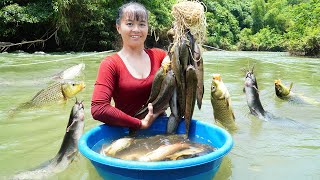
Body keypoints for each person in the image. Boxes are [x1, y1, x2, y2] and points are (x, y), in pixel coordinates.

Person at [91, 2, 169, 131]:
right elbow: (98, 108)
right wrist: (140, 124)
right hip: (127, 132)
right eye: (129, 24)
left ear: (148, 28)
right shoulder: (111, 64)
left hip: (161, 129)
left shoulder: (160, 56)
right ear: (118, 27)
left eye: (142, 24)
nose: (136, 30)